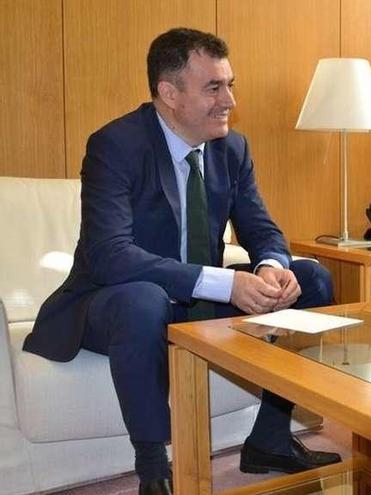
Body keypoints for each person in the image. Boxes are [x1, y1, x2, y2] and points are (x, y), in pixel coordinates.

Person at [23, 28, 341, 495]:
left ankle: (270, 439)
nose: (229, 99)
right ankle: (154, 470)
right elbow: (112, 256)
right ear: (169, 93)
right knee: (143, 300)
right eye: (214, 87)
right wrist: (225, 284)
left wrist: (271, 265)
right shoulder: (115, 145)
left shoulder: (232, 148)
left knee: (311, 276)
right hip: (112, 303)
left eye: (230, 84)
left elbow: (261, 228)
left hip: (194, 300)